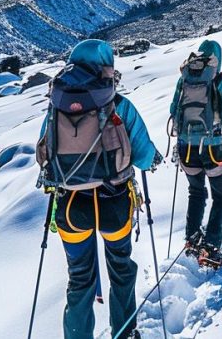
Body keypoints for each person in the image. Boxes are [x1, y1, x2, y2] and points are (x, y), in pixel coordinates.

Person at [36, 39, 162, 339]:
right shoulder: (118, 105)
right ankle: (124, 332)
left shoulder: (57, 104)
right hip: (114, 204)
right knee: (120, 270)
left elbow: (44, 155)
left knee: (79, 279)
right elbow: (144, 156)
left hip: (70, 207)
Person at [169, 39, 222, 270]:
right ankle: (211, 248)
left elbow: (172, 111)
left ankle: (192, 238)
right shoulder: (220, 80)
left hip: (186, 148)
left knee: (196, 192)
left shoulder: (185, 78)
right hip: (212, 147)